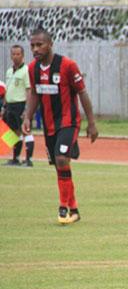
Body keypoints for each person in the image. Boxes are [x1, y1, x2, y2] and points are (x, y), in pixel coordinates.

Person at [22, 29, 98, 224]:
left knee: (62, 158)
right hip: (49, 125)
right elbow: (35, 95)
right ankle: (74, 210)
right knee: (59, 165)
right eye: (32, 45)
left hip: (68, 122)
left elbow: (82, 93)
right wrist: (28, 117)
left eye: (40, 45)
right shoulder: (33, 69)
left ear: (50, 44)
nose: (35, 49)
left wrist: (91, 122)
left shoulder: (68, 66)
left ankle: (63, 207)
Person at [3, 45, 34, 167]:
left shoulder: (26, 70)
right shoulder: (9, 71)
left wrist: (27, 108)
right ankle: (15, 158)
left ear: (23, 55)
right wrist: (4, 106)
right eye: (13, 54)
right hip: (10, 105)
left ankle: (29, 159)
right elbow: (8, 89)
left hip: (20, 104)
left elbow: (29, 90)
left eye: (18, 54)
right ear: (11, 56)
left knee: (25, 131)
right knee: (13, 132)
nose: (15, 56)